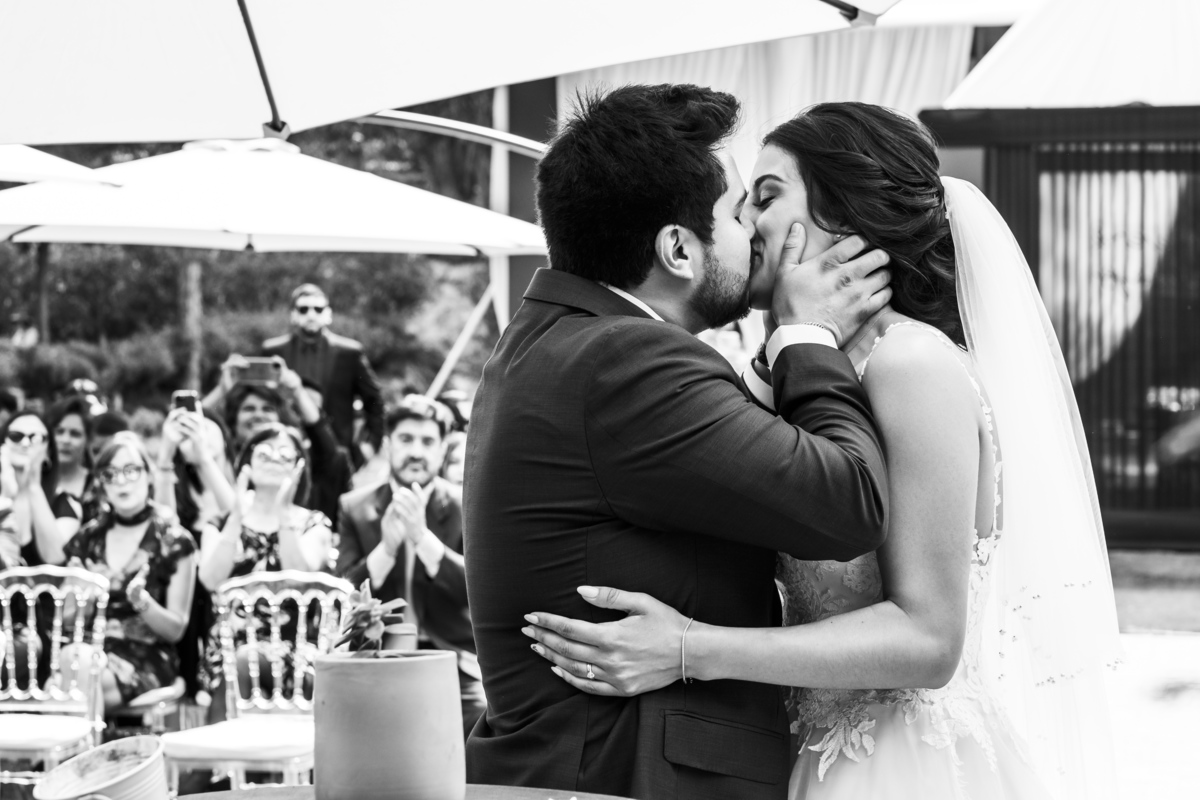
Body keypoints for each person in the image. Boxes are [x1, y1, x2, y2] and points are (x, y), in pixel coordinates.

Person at [523, 103, 1123, 800]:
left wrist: (688, 648)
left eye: (767, 198)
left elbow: (929, 643)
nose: (744, 223)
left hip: (899, 767)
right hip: (799, 753)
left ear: (843, 220)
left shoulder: (910, 367)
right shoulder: (801, 373)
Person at [464, 84, 891, 800]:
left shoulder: (558, 341)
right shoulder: (625, 361)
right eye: (733, 211)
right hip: (626, 778)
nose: (754, 230)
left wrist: (771, 362)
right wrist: (807, 336)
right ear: (677, 249)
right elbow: (847, 504)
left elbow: (698, 461)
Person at [338, 396, 481, 738]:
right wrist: (386, 550)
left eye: (428, 441)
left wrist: (422, 539)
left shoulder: (468, 506)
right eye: (406, 440)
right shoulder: (354, 507)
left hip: (453, 664)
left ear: (443, 448)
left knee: (481, 730)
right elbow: (344, 593)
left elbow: (478, 593)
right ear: (388, 445)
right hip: (376, 659)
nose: (416, 451)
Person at [197, 423, 333, 719]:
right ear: (247, 462)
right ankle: (226, 762)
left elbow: (298, 580)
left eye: (284, 455)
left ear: (299, 467)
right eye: (264, 453)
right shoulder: (220, 524)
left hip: (294, 650)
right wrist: (236, 518)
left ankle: (225, 762)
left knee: (247, 661)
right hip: (229, 647)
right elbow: (210, 580)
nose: (273, 460)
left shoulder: (313, 524)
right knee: (240, 659)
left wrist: (283, 513)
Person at [61, 432, 197, 710]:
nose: (121, 480)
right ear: (102, 484)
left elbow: (176, 630)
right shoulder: (87, 538)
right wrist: (82, 599)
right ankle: (90, 749)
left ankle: (80, 752)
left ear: (148, 475)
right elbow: (65, 619)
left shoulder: (174, 540)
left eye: (131, 470)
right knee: (77, 666)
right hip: (90, 651)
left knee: (76, 673)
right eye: (110, 473)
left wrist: (141, 600)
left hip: (146, 656)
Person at [261, 284, 384, 465]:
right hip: (285, 450)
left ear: (328, 314)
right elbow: (262, 397)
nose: (311, 315)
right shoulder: (274, 351)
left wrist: (372, 445)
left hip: (337, 450)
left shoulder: (349, 353)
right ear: (293, 315)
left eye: (318, 309)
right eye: (303, 309)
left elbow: (374, 399)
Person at [47, 396, 102, 533]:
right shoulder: (32, 481)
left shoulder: (97, 487)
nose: (65, 440)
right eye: (59, 432)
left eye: (75, 434)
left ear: (88, 440)